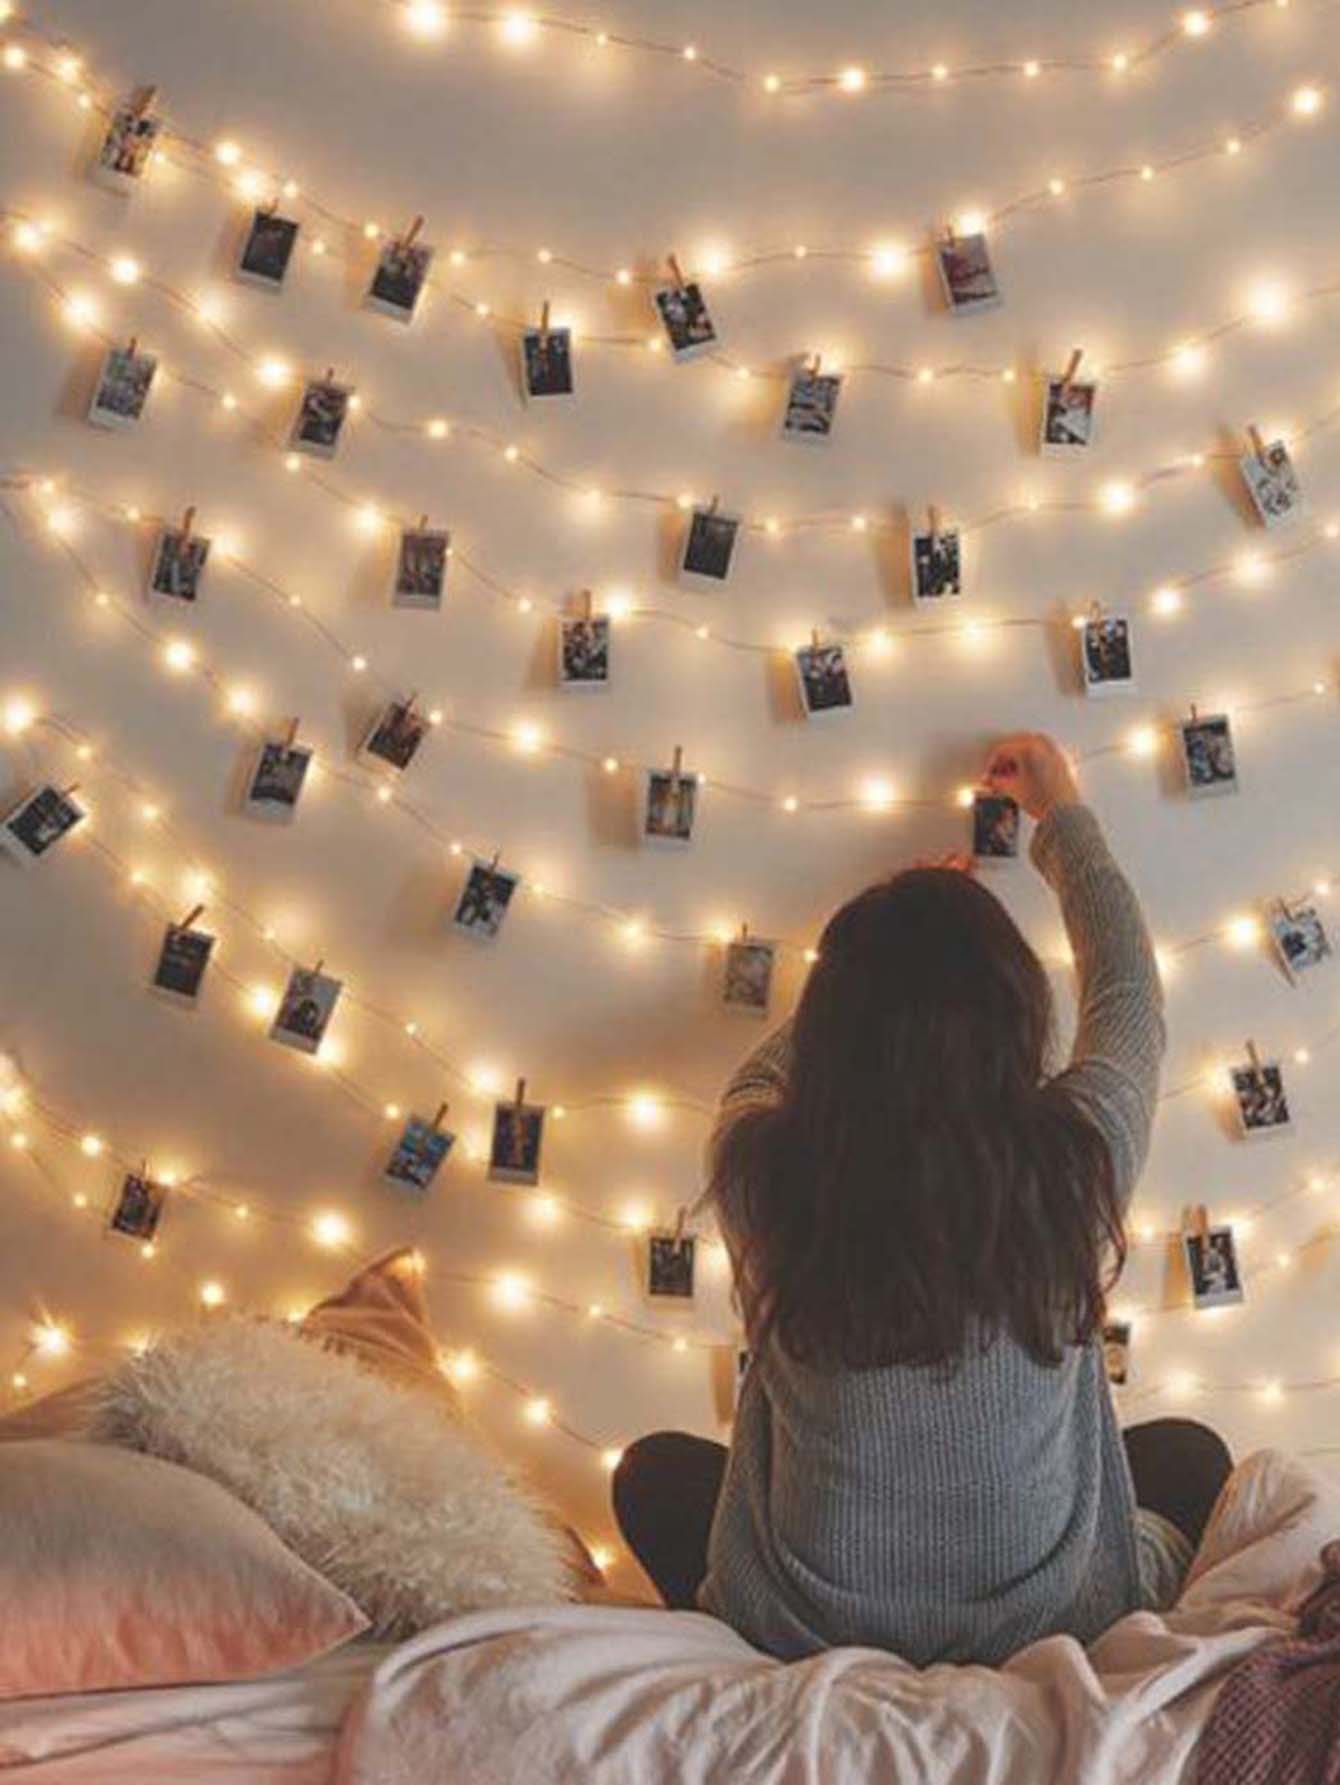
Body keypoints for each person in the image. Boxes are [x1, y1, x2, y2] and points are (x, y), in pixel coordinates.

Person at [612, 733, 1232, 1666]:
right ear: (1016, 1013)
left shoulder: (761, 1172)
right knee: (1189, 1457)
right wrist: (1061, 815)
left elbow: (757, 1079)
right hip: (1045, 1624)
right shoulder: (1077, 1159)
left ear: (832, 1024)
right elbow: (1129, 994)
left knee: (653, 1474)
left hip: (809, 1624)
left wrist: (875, 974)